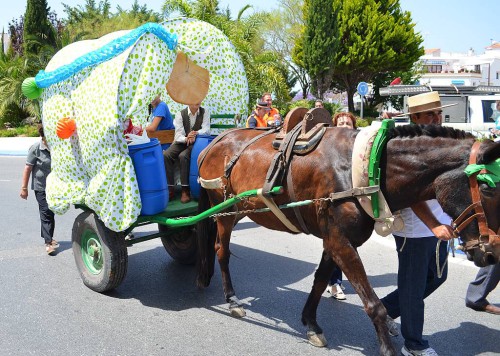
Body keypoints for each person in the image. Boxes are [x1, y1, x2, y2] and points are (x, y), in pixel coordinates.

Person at [380, 91, 455, 356]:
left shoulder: (440, 141)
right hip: (415, 227)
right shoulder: (408, 147)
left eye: (439, 113)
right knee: (413, 285)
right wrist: (435, 224)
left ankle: (384, 309)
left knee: (437, 277)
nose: (437, 118)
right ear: (415, 118)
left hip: (438, 224)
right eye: (430, 114)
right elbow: (410, 193)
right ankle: (414, 344)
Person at [326, 111, 358, 300]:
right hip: (335, 202)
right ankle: (334, 283)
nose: (345, 126)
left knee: (342, 244)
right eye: (341, 123)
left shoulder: (360, 147)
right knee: (339, 242)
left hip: (355, 201)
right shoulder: (330, 148)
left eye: (348, 123)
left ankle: (329, 280)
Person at [20, 125, 58, 255]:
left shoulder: (56, 147)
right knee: (46, 211)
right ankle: (48, 243)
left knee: (51, 211)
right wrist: (24, 188)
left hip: (54, 186)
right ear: (43, 136)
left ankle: (48, 237)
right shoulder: (36, 148)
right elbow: (27, 168)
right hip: (40, 187)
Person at [164, 102, 210, 203]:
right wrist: (186, 138)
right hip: (183, 141)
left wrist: (195, 133)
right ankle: (170, 187)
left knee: (183, 156)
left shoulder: (205, 111)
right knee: (166, 155)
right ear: (188, 101)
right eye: (194, 99)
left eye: (199, 98)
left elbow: (207, 129)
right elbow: (178, 135)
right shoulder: (180, 114)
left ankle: (185, 190)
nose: (197, 101)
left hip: (196, 142)